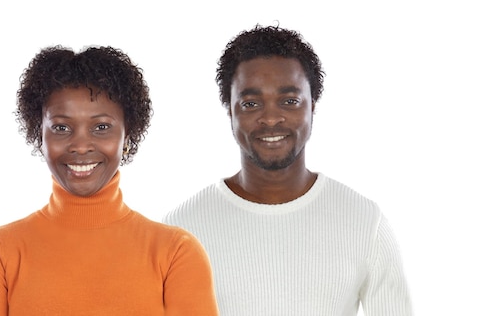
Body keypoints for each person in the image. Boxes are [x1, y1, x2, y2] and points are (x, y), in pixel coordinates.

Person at [162, 24, 413, 315]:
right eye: (251, 103)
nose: (270, 118)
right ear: (230, 111)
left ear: (312, 106)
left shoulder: (366, 223)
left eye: (290, 101)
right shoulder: (181, 230)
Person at [0, 45, 219, 315]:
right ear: (39, 135)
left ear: (127, 136)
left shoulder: (175, 254)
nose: (81, 146)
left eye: (101, 127)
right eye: (61, 128)